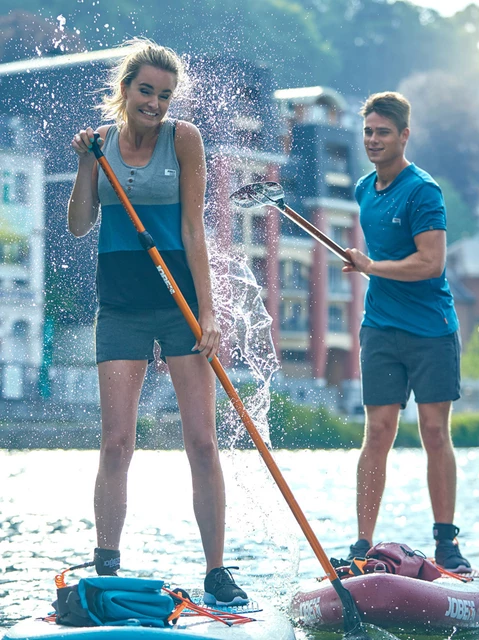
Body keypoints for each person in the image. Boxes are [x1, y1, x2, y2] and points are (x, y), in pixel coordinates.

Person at [67, 38, 249, 604]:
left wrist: (209, 313)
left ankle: (216, 573)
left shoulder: (183, 140)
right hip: (119, 305)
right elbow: (77, 225)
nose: (155, 103)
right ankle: (107, 565)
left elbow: (195, 231)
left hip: (180, 308)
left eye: (165, 95)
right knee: (117, 442)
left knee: (201, 441)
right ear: (125, 90)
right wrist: (83, 164)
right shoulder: (99, 146)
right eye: (146, 91)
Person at [342, 91, 471, 572]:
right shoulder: (362, 190)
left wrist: (371, 267)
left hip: (431, 331)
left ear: (404, 136)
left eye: (383, 132)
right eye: (368, 132)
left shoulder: (423, 191)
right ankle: (361, 543)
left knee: (435, 432)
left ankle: (445, 543)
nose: (373, 140)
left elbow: (430, 262)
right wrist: (370, 267)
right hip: (380, 329)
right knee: (377, 432)